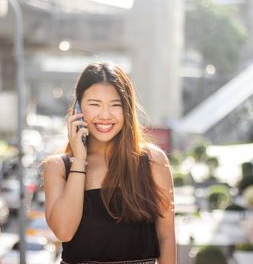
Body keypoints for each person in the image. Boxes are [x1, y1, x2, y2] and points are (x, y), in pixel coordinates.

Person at [43, 62, 176, 264]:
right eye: (94, 104)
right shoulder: (58, 167)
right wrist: (79, 159)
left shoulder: (152, 162)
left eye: (115, 105)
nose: (105, 115)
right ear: (78, 108)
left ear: (128, 109)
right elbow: (64, 232)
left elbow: (166, 238)